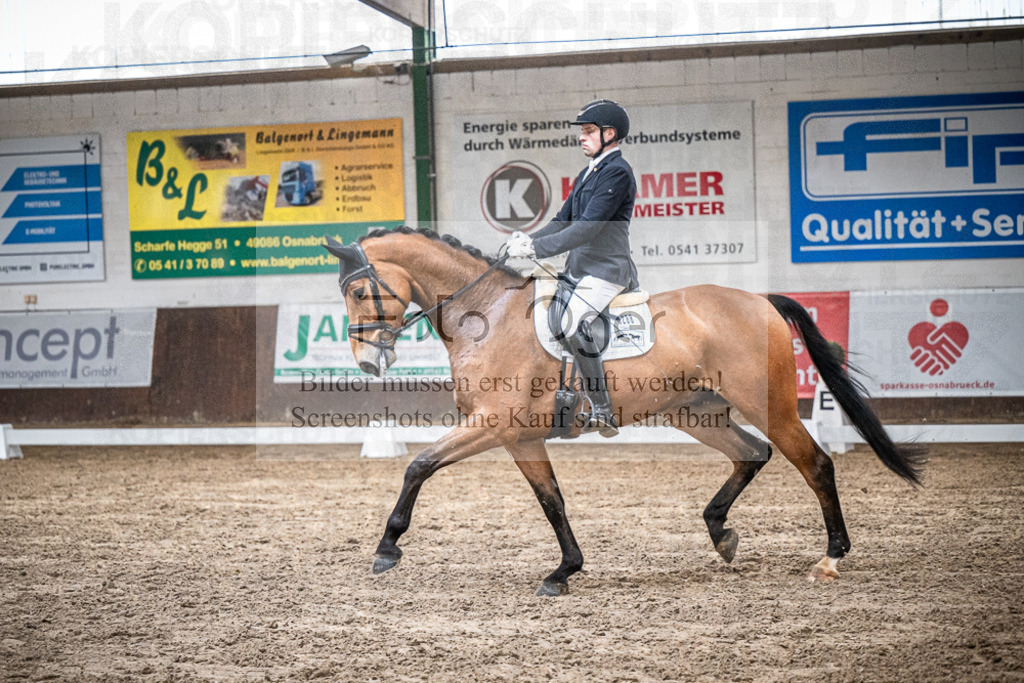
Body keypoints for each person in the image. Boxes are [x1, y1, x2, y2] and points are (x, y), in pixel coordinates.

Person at [504, 99, 638, 437]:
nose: (582, 137)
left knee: (570, 323)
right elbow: (563, 221)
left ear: (610, 134)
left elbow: (587, 228)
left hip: (606, 270)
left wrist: (536, 248)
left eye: (589, 131)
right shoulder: (588, 173)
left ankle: (602, 408)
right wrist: (526, 239)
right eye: (583, 131)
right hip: (581, 269)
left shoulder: (618, 172)